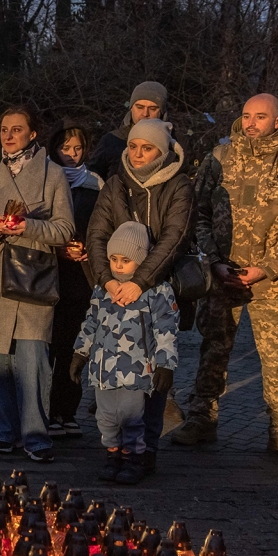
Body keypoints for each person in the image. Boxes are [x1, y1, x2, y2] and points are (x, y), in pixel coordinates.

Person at [178, 94, 278, 458]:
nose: (252, 123)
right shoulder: (219, 158)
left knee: (276, 359)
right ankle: (201, 420)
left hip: (273, 282)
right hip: (223, 275)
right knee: (213, 351)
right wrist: (213, 261)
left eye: (261, 116)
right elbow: (199, 213)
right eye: (246, 116)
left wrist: (269, 267)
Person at [83, 117, 193, 464]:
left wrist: (139, 282)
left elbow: (174, 239)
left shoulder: (179, 186)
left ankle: (145, 452)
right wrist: (108, 280)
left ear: (161, 151)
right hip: (115, 291)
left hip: (157, 290)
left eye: (147, 148)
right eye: (133, 146)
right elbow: (97, 235)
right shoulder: (115, 185)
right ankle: (118, 448)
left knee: (154, 376)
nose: (138, 153)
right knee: (117, 377)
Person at [0, 106, 74, 462]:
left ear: (33, 134)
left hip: (33, 275)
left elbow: (64, 230)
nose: (9, 136)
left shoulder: (53, 175)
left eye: (17, 129)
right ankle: (2, 432)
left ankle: (34, 434)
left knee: (32, 360)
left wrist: (28, 227)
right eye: (3, 130)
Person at [70, 221, 179, 484]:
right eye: (114, 259)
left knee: (132, 418)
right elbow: (91, 322)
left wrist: (166, 365)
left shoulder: (156, 290)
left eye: (126, 260)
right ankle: (113, 454)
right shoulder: (103, 290)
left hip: (137, 369)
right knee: (105, 417)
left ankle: (134, 458)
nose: (118, 265)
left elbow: (166, 328)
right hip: (103, 368)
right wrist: (80, 354)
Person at [45, 123, 102, 438]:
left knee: (75, 347)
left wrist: (88, 251)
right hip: (49, 274)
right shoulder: (45, 179)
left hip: (81, 277)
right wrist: (59, 247)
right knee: (48, 347)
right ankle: (46, 411)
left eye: (77, 148)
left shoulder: (95, 184)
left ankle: (67, 412)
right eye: (66, 148)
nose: (71, 154)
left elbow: (102, 228)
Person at [86, 81, 167, 181]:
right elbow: (91, 179)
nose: (145, 113)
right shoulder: (112, 140)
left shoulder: (176, 143)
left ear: (162, 112)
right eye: (140, 107)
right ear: (131, 108)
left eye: (152, 108)